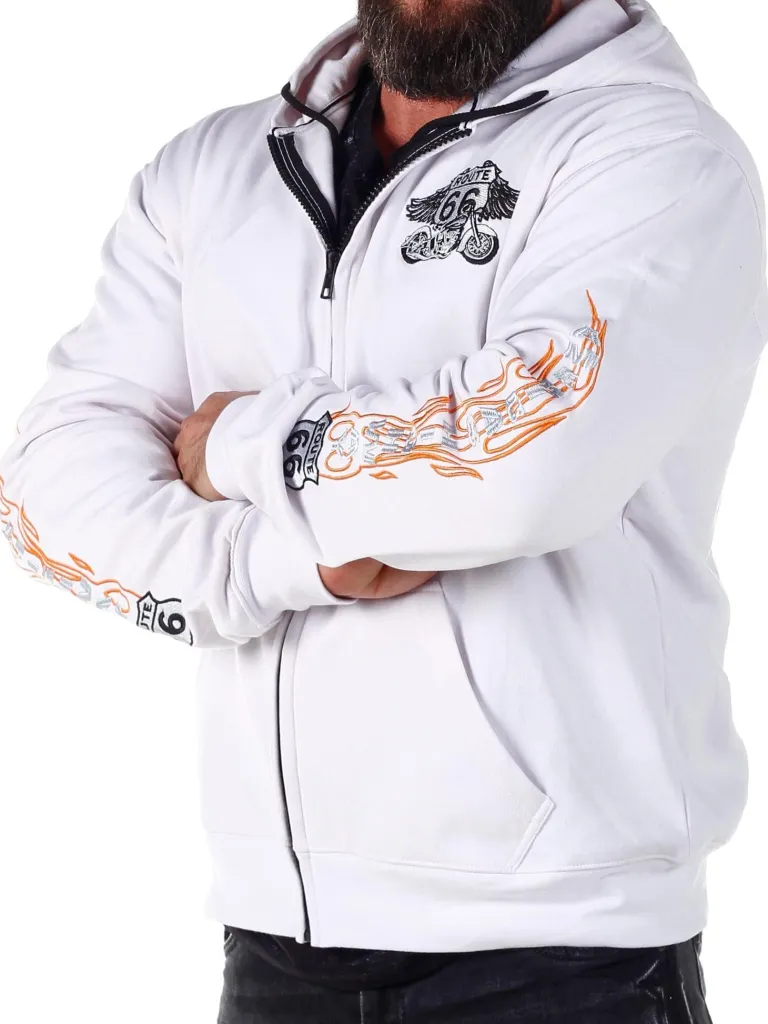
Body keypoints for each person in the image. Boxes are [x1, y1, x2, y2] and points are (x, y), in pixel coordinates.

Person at [0, 0, 765, 1020]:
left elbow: (525, 464)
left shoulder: (654, 156)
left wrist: (236, 443)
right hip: (274, 942)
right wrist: (283, 565)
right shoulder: (211, 171)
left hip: (564, 951)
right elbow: (47, 488)